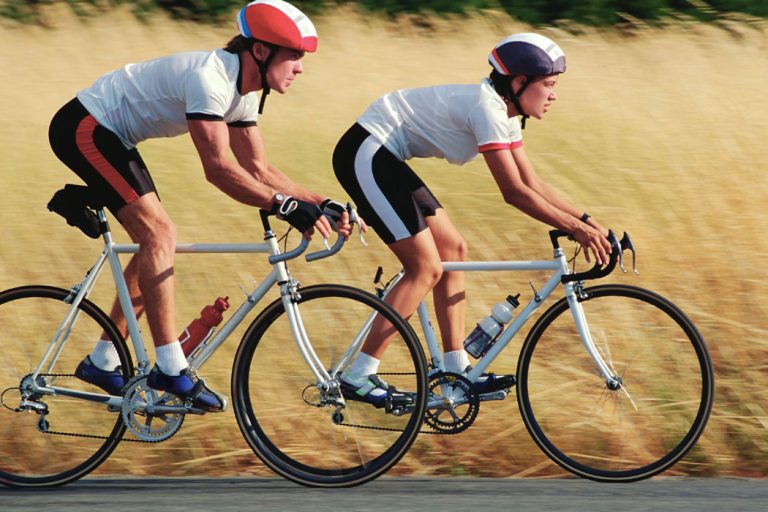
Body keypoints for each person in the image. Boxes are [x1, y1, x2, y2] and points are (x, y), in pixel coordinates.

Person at [48, 0, 354, 412]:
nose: (300, 68)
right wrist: (284, 207)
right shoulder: (211, 79)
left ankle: (104, 360)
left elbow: (258, 167)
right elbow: (218, 169)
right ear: (260, 51)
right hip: (85, 127)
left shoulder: (243, 92)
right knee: (159, 234)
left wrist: (318, 201)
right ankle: (171, 367)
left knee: (154, 239)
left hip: (114, 137)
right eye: (294, 57)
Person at [332, 33, 613, 408]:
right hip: (365, 152)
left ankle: (456, 371)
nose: (554, 94)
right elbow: (513, 192)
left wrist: (588, 223)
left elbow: (533, 183)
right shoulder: (487, 108)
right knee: (425, 268)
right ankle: (358, 374)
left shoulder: (506, 113)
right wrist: (575, 230)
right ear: (518, 83)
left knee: (453, 249)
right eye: (548, 84)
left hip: (387, 155)